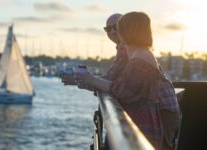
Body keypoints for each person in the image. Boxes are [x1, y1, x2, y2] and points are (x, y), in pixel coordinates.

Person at [74, 12, 180, 149]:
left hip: (158, 115)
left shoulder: (141, 57)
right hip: (154, 112)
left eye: (118, 27)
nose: (115, 32)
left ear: (127, 31)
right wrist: (88, 80)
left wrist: (91, 79)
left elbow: (123, 90)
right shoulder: (138, 53)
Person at [61, 13, 127, 87]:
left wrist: (81, 80)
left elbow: (111, 79)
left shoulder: (126, 49)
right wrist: (79, 80)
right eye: (108, 29)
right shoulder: (122, 48)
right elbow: (110, 80)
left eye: (116, 27)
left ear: (126, 27)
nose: (112, 31)